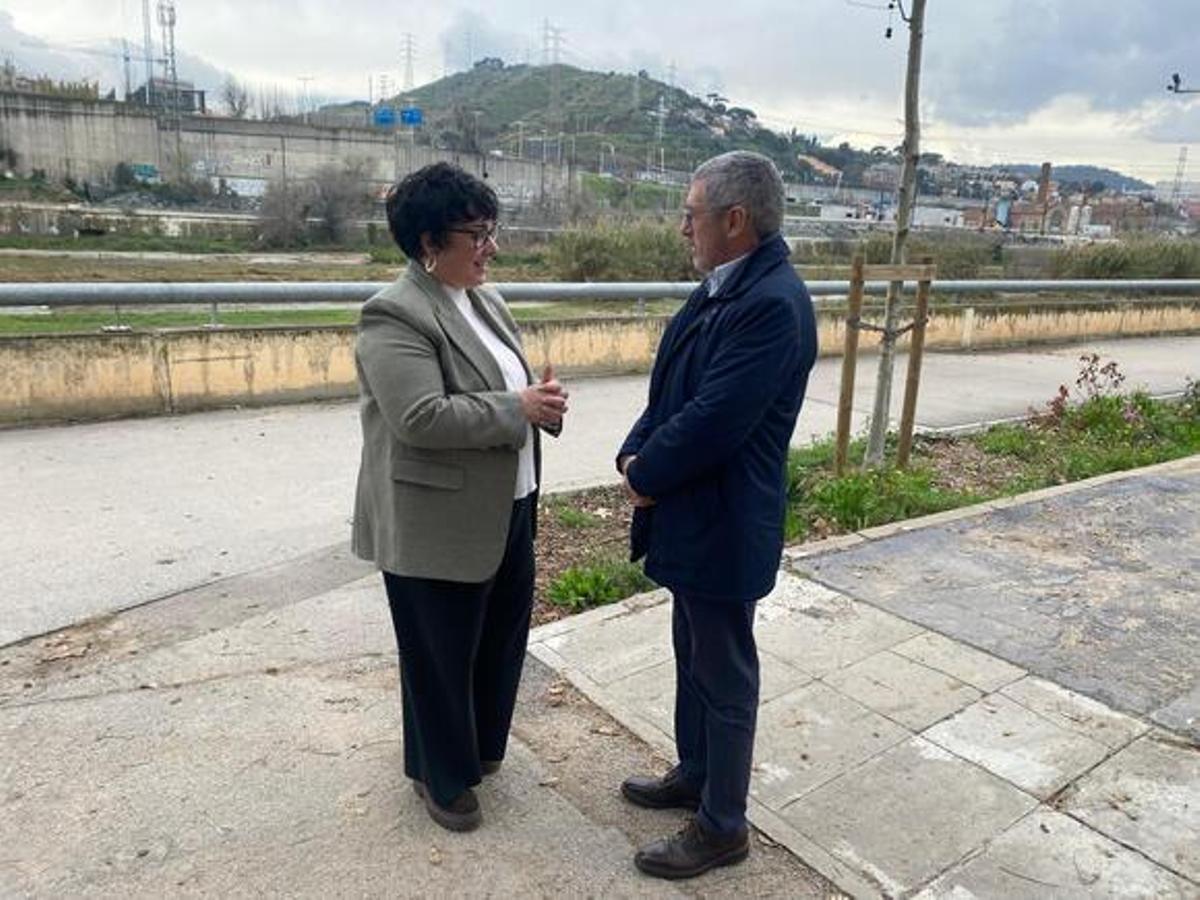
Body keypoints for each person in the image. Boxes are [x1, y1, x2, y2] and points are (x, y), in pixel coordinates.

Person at [616, 151, 817, 879]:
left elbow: (714, 421)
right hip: (689, 517)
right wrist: (632, 455)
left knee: (725, 674)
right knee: (692, 657)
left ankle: (723, 825)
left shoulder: (771, 304)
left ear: (735, 221)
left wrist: (649, 472)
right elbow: (669, 397)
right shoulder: (719, 290)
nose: (682, 228)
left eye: (691, 213)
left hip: (725, 524)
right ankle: (695, 772)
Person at [351, 162, 567, 833]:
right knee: (439, 655)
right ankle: (439, 778)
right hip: (433, 521)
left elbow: (509, 397)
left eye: (490, 231)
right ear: (427, 243)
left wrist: (542, 408)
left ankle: (477, 750)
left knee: (499, 641)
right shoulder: (394, 313)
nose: (490, 248)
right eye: (475, 234)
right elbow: (420, 415)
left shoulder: (485, 300)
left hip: (510, 504)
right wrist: (517, 407)